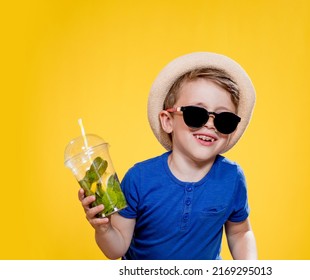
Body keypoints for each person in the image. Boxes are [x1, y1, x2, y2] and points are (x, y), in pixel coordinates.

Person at [78, 52, 257, 260]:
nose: (210, 124)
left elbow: (240, 231)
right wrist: (103, 229)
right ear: (167, 121)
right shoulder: (139, 178)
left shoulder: (232, 177)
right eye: (196, 114)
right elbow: (116, 249)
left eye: (224, 119)